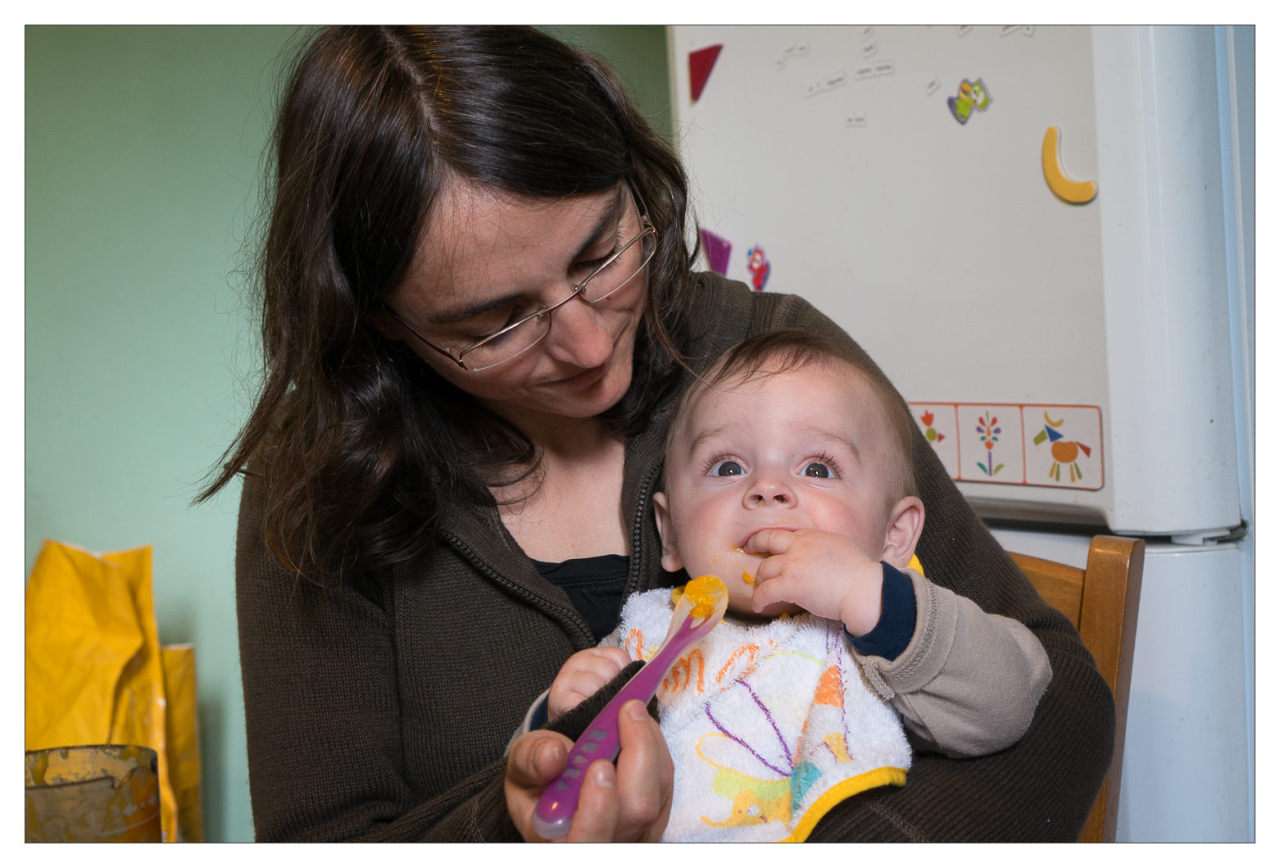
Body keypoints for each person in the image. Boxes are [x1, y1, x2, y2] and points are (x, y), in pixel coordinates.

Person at [200, 25, 1114, 842]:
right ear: (382, 320)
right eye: (497, 322)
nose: (591, 346)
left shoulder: (777, 369)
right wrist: (513, 828)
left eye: (601, 253)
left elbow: (1061, 703)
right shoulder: (320, 482)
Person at [541, 330, 1051, 841]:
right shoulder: (654, 636)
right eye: (728, 466)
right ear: (671, 533)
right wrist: (563, 716)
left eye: (817, 468)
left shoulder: (884, 633)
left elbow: (1008, 705)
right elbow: (548, 789)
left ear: (893, 536)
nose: (768, 488)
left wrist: (874, 599)